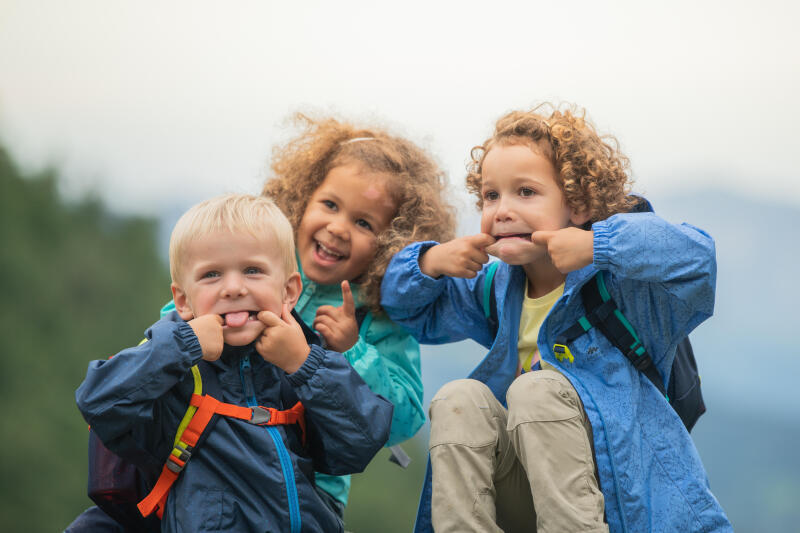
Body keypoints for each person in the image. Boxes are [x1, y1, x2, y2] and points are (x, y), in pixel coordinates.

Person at [380, 105, 732, 532]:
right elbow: (407, 309)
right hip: (527, 489)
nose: (502, 210)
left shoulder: (622, 287)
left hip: (618, 493)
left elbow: (698, 258)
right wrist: (431, 260)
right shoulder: (497, 287)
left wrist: (597, 246)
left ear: (578, 205)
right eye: (491, 195)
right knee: (459, 398)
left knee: (538, 390)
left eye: (525, 192)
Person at [75, 194, 393, 533]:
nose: (233, 288)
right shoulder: (175, 364)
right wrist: (185, 344)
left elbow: (359, 443)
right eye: (212, 275)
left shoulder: (302, 361)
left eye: (252, 270)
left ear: (289, 291)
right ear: (182, 300)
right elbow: (99, 402)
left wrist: (305, 364)